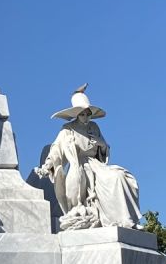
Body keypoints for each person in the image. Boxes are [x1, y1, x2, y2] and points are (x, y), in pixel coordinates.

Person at [36, 86, 142, 230]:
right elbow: (56, 151)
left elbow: (104, 150)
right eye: (82, 114)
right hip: (79, 167)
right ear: (76, 114)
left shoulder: (94, 127)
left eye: (88, 114)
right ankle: (119, 220)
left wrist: (101, 143)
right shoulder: (67, 129)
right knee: (111, 179)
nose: (86, 118)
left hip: (97, 165)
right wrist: (47, 167)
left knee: (120, 177)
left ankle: (127, 221)